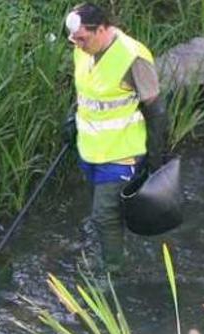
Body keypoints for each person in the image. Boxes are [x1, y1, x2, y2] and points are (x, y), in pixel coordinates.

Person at [63, 3, 169, 275]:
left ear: (101, 29)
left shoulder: (132, 57)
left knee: (104, 215)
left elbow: (156, 111)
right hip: (89, 149)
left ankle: (113, 275)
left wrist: (156, 162)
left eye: (82, 39)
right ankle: (113, 250)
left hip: (123, 153)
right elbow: (88, 91)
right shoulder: (82, 49)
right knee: (104, 215)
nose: (77, 45)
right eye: (74, 40)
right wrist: (71, 119)